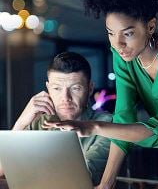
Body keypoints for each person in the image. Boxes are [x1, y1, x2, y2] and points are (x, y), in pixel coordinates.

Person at [43, 0, 158, 189]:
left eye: (127, 33)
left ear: (150, 26)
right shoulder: (123, 56)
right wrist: (106, 184)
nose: (118, 44)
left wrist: (95, 127)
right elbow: (123, 117)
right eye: (111, 33)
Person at [0, 52, 112, 187]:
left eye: (75, 88)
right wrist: (21, 122)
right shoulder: (39, 121)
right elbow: (2, 170)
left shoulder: (106, 124)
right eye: (57, 88)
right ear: (48, 89)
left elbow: (81, 179)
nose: (66, 97)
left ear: (89, 89)